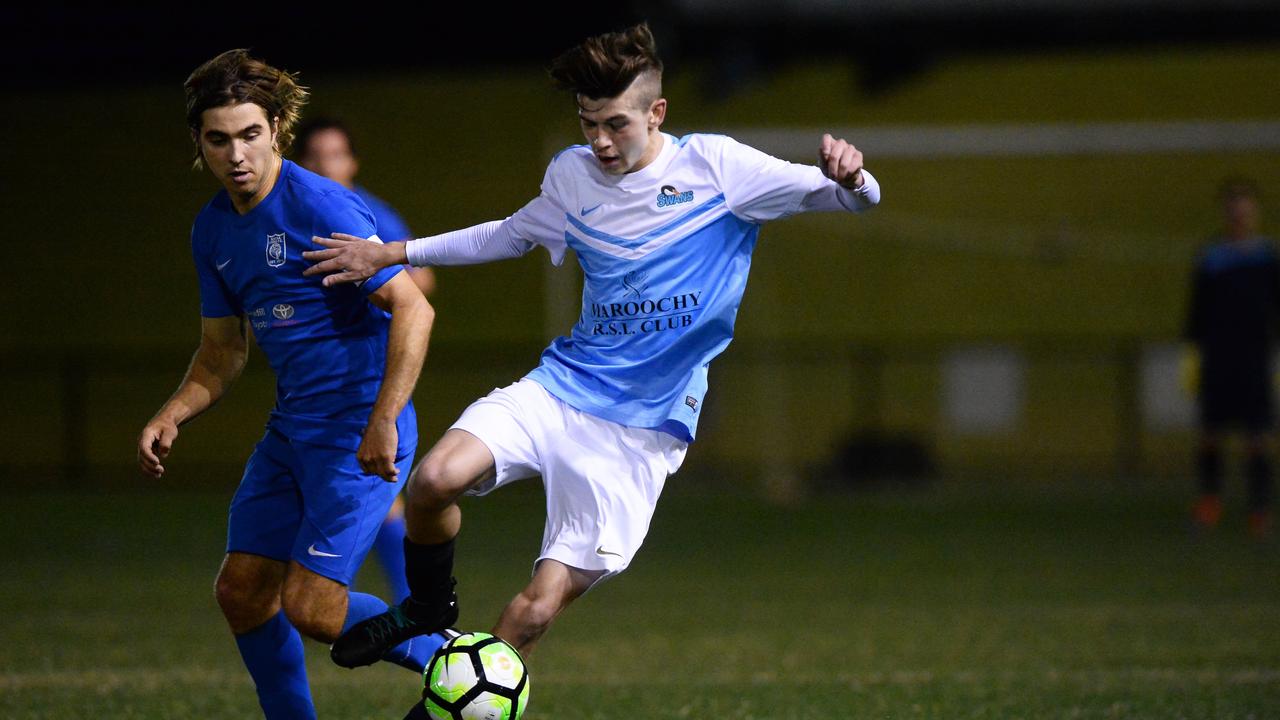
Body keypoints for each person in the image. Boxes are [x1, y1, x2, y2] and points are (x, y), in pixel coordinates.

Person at [301, 22, 881, 673]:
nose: (599, 141)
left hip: (640, 428)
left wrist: (853, 180)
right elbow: (509, 234)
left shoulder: (717, 167)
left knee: (534, 611)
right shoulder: (572, 177)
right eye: (587, 123)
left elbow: (853, 198)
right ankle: (427, 610)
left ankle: (445, 707)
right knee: (433, 481)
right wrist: (390, 252)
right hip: (562, 385)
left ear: (656, 112)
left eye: (615, 124)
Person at [135, 49, 446, 720]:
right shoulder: (213, 229)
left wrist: (385, 416)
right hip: (291, 431)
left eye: (250, 134)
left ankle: (459, 659)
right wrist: (171, 412)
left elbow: (415, 308)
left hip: (358, 428)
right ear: (200, 142)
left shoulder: (320, 205)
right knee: (243, 591)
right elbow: (222, 354)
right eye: (218, 139)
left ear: (276, 128)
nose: (236, 154)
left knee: (312, 607)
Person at [294, 117, 439, 603]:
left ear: (352, 161)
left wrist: (369, 278)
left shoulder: (369, 215)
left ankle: (373, 603)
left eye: (335, 155)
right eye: (315, 156)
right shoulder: (295, 216)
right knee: (365, 494)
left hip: (370, 370)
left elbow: (422, 283)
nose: (325, 165)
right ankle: (395, 604)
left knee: (367, 488)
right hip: (319, 376)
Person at [1185, 177, 1277, 541]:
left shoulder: (1267, 257)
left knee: (1259, 438)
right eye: (1233, 208)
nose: (1239, 215)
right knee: (1210, 435)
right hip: (1218, 357)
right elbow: (1197, 311)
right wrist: (1192, 352)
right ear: (1226, 213)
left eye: (1244, 208)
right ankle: (1209, 504)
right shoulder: (1212, 257)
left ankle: (1260, 512)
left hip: (1254, 358)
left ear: (1254, 212)